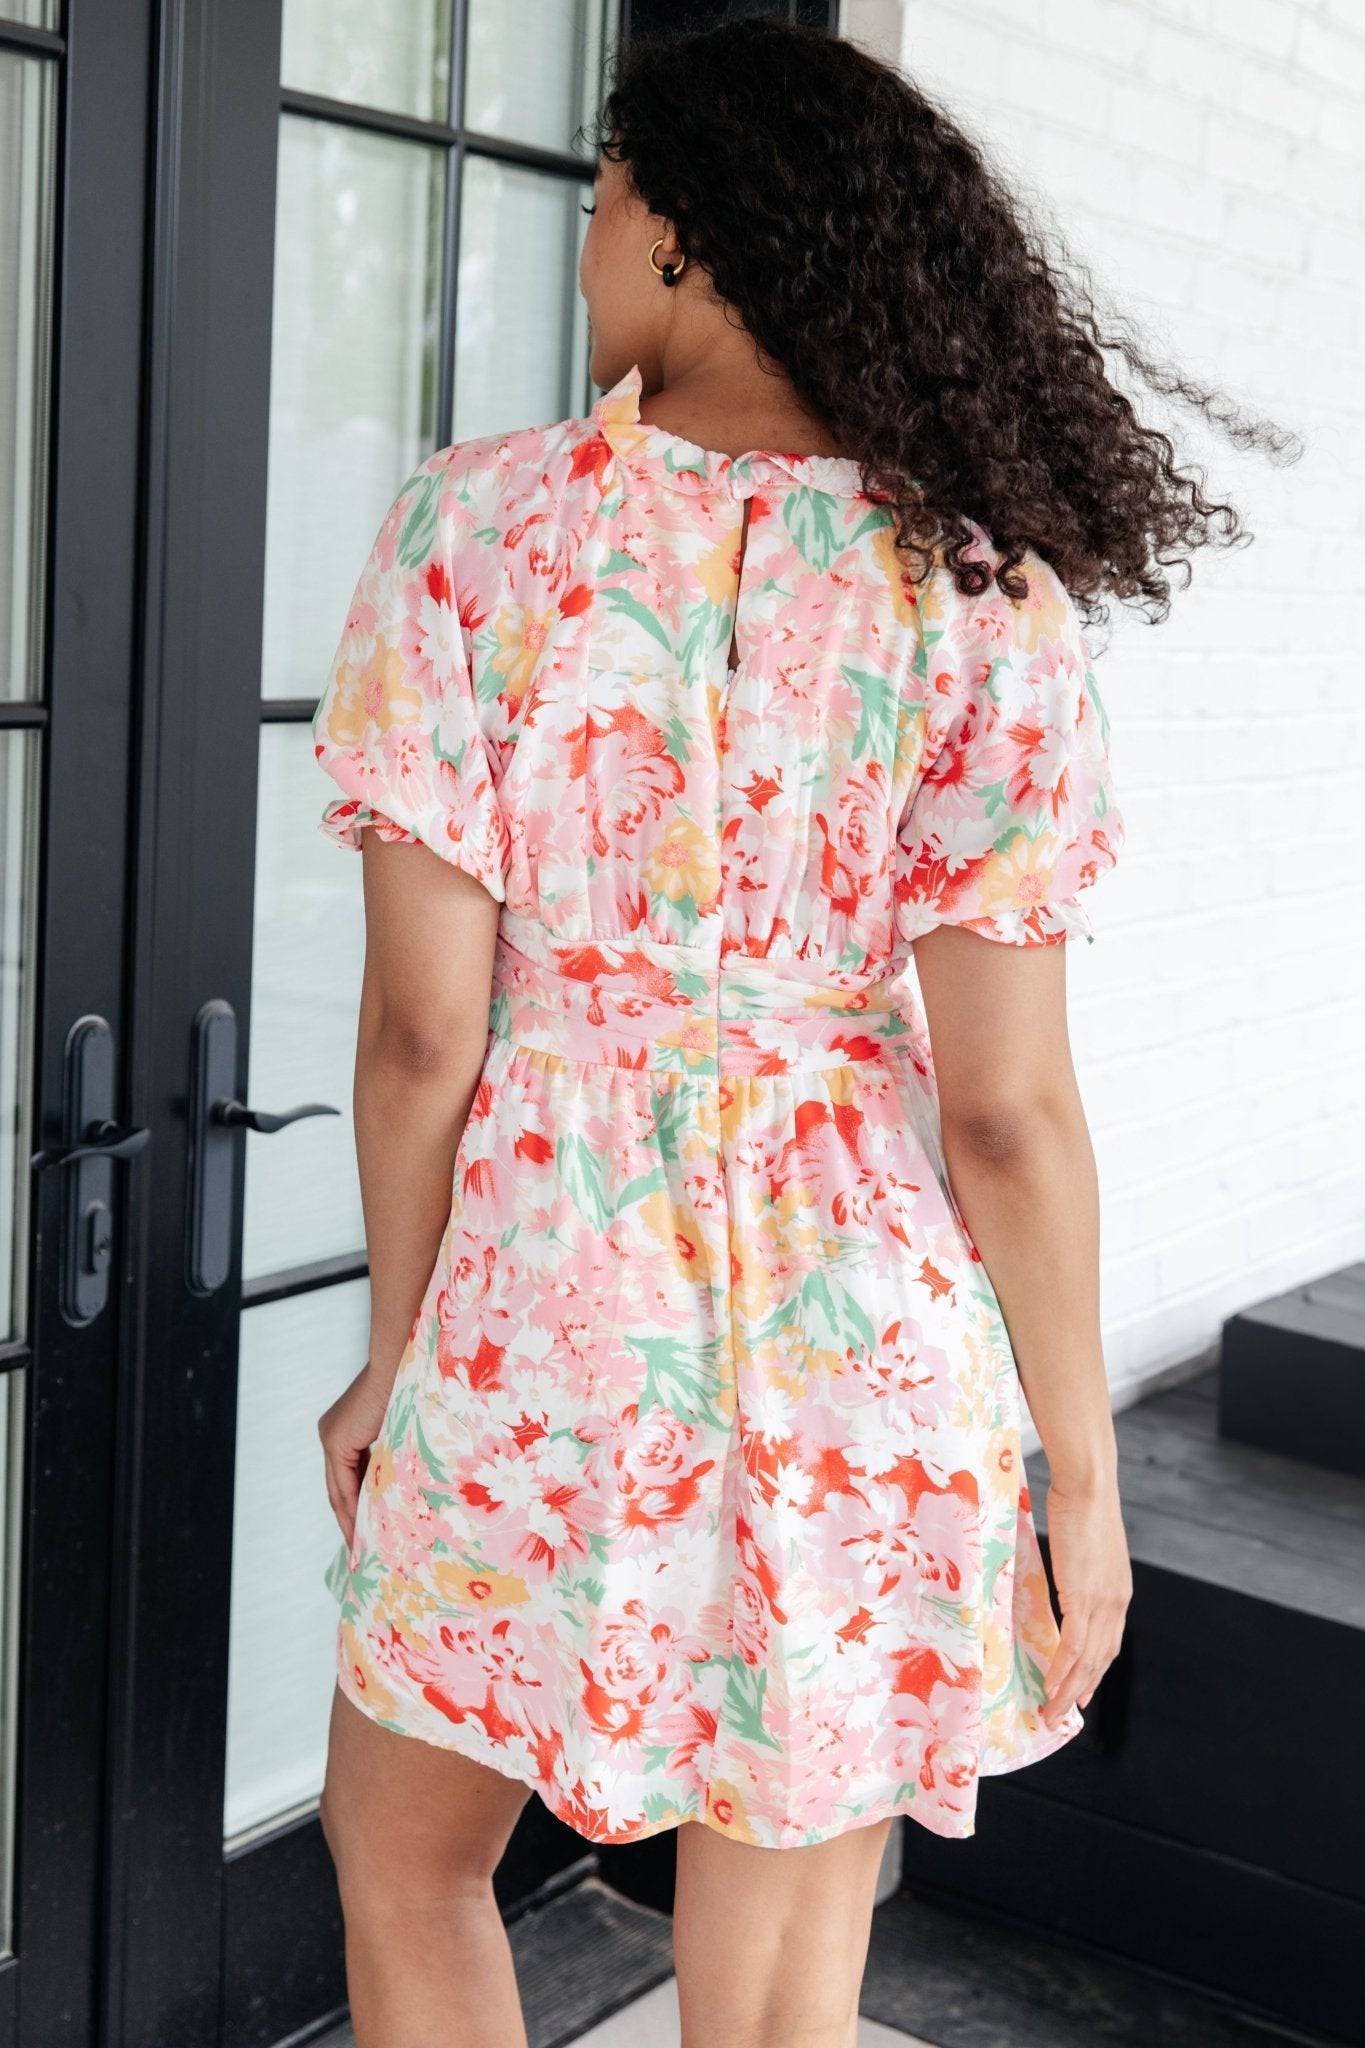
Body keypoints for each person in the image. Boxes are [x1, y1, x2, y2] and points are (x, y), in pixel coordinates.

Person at [310, 19, 1292, 2048]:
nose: (587, 246)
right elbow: (1008, 1115)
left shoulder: (473, 532)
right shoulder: (979, 589)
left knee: (405, 1859)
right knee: (773, 2002)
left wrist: (401, 1355)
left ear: (687, 234)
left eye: (604, 205)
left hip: (543, 1318)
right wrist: (1077, 1477)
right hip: (863, 1345)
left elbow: (419, 1037)